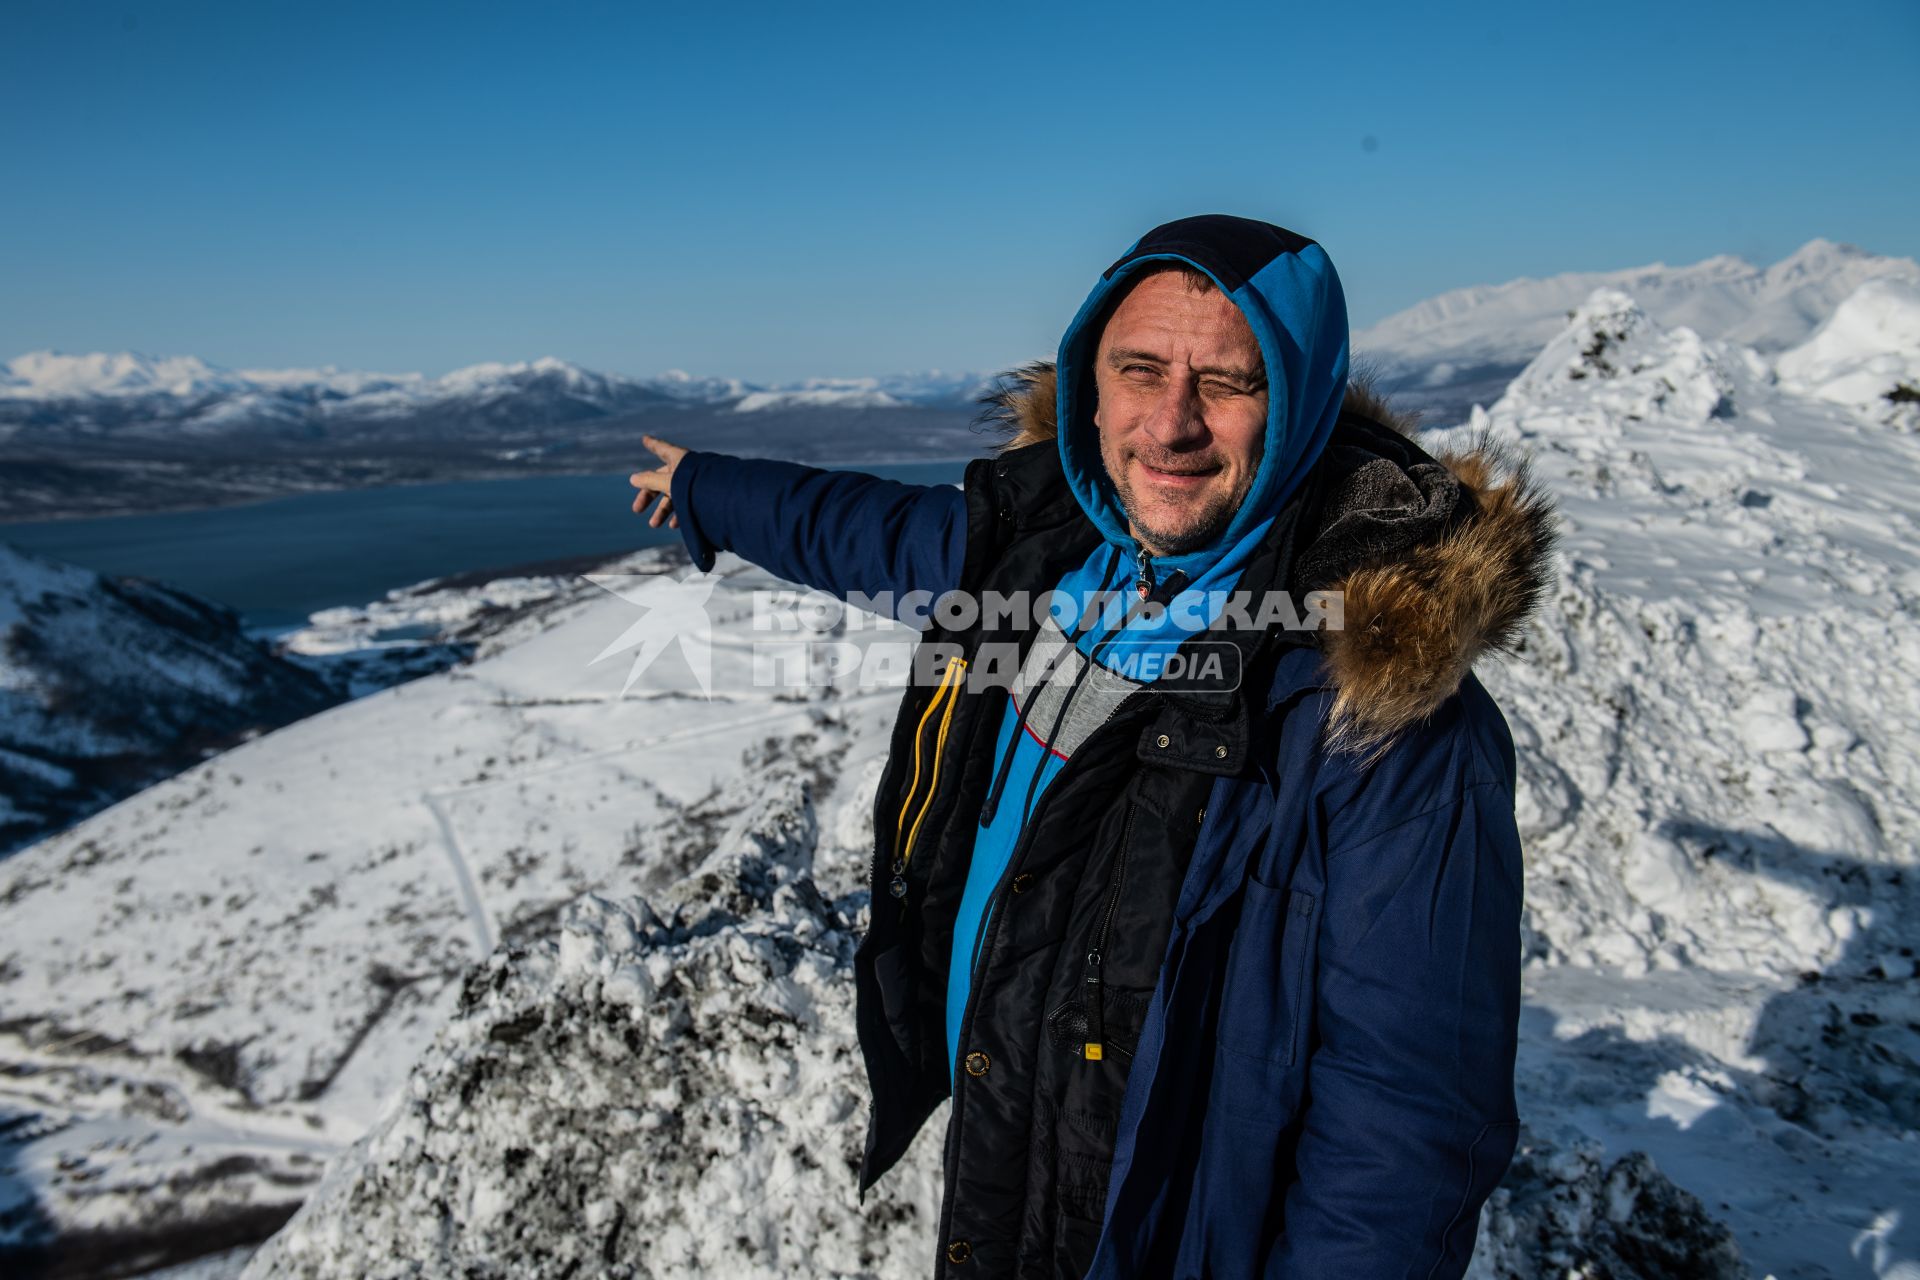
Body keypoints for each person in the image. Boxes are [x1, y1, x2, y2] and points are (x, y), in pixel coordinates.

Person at [628, 214, 1559, 1278]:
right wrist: (708, 487)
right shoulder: (1048, 554)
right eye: (1140, 368)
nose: (1170, 424)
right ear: (1088, 382)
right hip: (1008, 1157)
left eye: (1230, 382)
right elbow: (871, 530)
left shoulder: (1384, 723)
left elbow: (1405, 1131)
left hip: (1161, 1230)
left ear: (1297, 406)